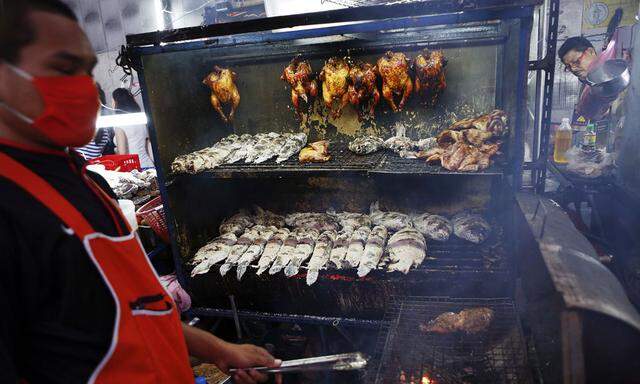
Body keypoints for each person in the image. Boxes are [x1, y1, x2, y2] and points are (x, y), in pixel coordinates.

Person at [0, 1, 280, 383]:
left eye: (87, 69)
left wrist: (218, 349)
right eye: (64, 68)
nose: (86, 86)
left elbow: (131, 312)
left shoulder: (86, 182)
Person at [112, 87, 154, 168]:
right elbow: (148, 147)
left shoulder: (119, 123)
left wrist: (116, 150)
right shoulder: (141, 120)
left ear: (116, 102)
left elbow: (122, 154)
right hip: (149, 164)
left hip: (135, 168)